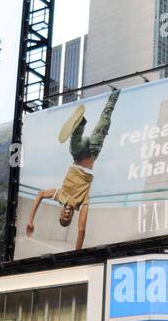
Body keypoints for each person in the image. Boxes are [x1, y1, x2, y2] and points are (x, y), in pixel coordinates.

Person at [25, 87, 121, 251]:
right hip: (93, 151)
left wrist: (30, 220)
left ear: (62, 211)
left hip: (78, 154)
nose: (67, 214)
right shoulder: (82, 202)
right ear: (72, 216)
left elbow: (40, 195)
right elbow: (82, 229)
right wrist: (76, 254)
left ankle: (79, 124)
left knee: (74, 145)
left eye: (64, 216)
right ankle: (115, 93)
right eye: (68, 218)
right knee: (105, 120)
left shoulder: (59, 195)